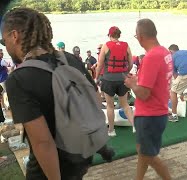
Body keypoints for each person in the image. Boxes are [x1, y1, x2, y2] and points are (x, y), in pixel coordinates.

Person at [1, 8, 114, 179]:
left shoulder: (19, 79)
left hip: (49, 170)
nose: (5, 46)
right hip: (81, 156)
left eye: (4, 40)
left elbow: (43, 143)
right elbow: (96, 100)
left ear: (14, 36)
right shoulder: (70, 59)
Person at [124, 18, 172, 180]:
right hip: (158, 112)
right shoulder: (164, 52)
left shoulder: (151, 57)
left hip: (149, 115)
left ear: (140, 36)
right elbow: (155, 82)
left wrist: (132, 84)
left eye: (136, 36)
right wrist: (139, 80)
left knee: (149, 156)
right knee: (143, 152)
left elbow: (144, 94)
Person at [95, 26, 134, 136]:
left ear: (109, 35)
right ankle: (134, 125)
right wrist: (126, 73)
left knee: (110, 106)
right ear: (119, 35)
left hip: (108, 79)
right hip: (123, 79)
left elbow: (100, 64)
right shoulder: (126, 45)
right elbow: (130, 63)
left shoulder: (106, 46)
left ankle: (111, 130)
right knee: (125, 104)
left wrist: (96, 77)